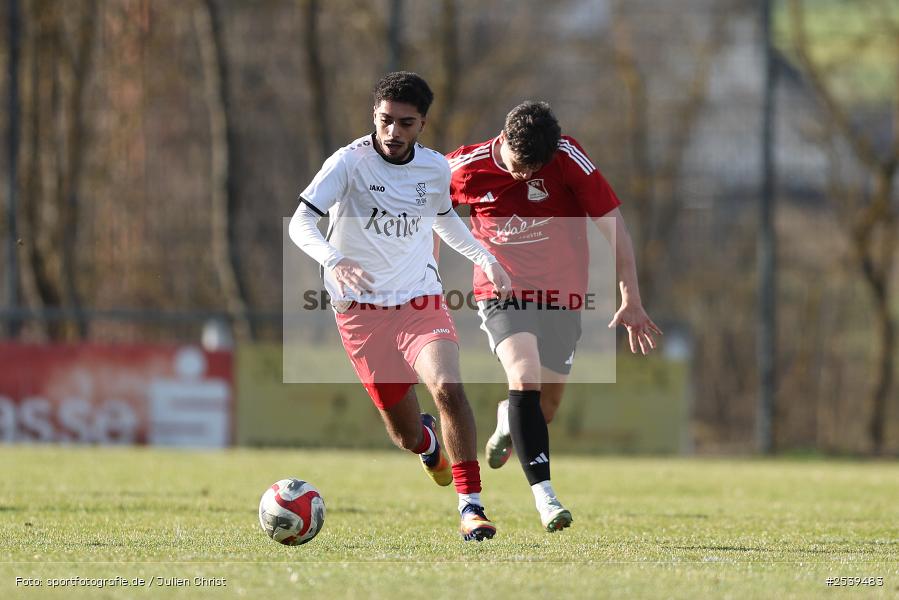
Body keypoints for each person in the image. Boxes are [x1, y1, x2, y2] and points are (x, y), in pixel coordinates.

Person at [289, 72, 512, 541]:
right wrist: (334, 258)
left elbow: (444, 219)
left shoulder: (433, 169)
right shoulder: (347, 164)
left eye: (405, 123)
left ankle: (471, 507)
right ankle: (430, 445)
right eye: (385, 120)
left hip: (418, 299)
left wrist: (485, 257)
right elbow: (301, 223)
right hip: (358, 313)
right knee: (407, 436)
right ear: (375, 116)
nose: (393, 132)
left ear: (422, 124)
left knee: (448, 387)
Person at [446, 101, 661, 532]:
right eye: (518, 166)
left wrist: (630, 296)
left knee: (544, 408)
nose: (525, 177)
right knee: (524, 377)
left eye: (534, 169)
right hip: (501, 292)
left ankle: (509, 416)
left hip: (563, 296)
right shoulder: (462, 167)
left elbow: (614, 225)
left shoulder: (568, 158)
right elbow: (427, 214)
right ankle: (545, 498)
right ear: (503, 141)